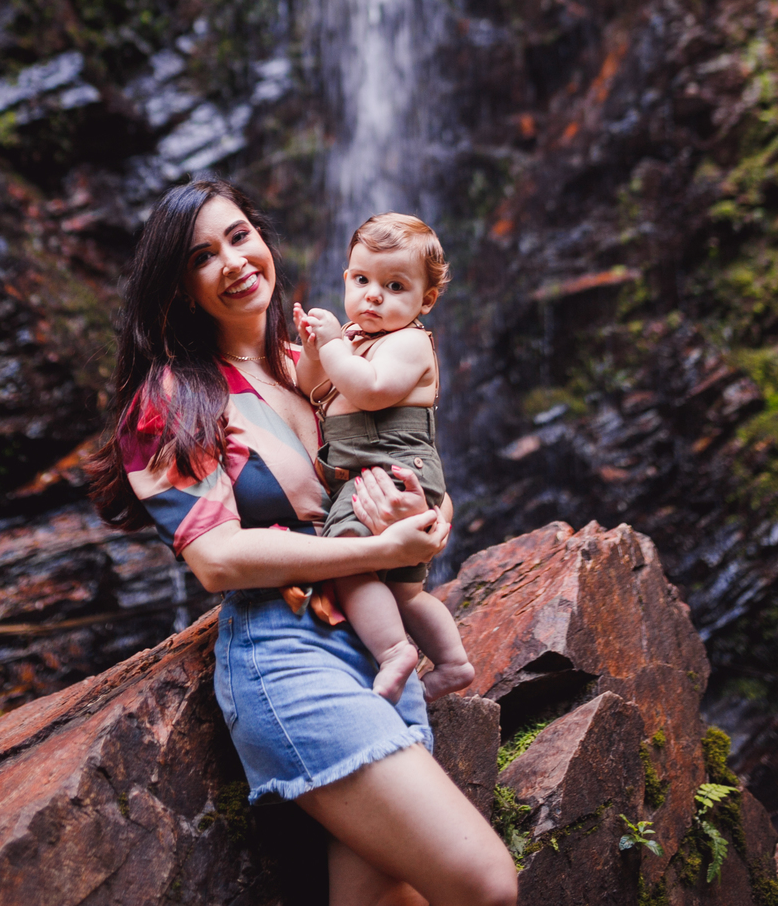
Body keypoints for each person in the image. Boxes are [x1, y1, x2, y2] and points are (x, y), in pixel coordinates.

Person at [90, 174, 517, 906]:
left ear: (262, 239)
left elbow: (395, 463)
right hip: (287, 655)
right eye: (200, 257)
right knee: (484, 881)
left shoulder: (318, 358)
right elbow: (218, 559)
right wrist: (376, 552)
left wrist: (420, 519)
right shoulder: (171, 398)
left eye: (238, 235)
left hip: (379, 646)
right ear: (176, 287)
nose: (231, 261)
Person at [293, 212, 474, 707]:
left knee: (348, 562)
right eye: (361, 279)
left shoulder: (410, 342)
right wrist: (315, 351)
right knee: (404, 592)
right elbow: (315, 390)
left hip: (391, 472)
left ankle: (396, 652)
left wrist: (332, 346)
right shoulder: (356, 339)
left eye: (394, 285)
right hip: (381, 475)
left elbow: (370, 392)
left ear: (426, 300)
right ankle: (454, 663)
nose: (373, 295)